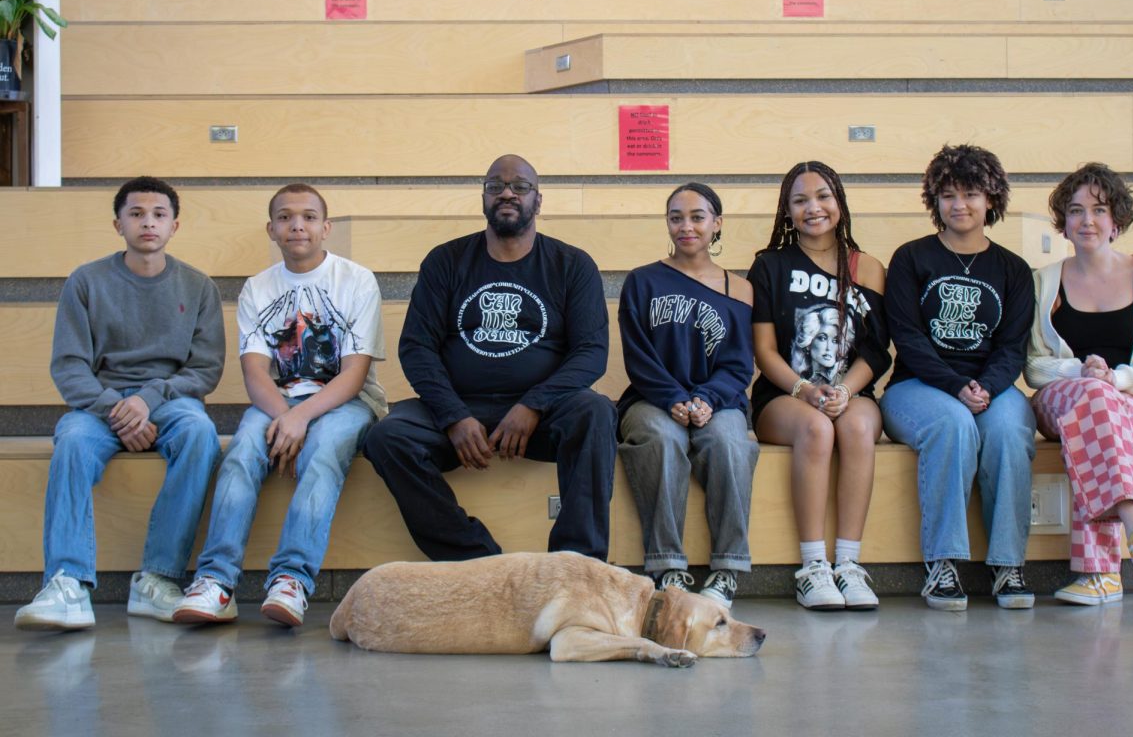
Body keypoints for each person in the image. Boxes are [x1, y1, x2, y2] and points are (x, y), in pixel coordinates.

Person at [364, 154, 616, 561]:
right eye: (495, 185)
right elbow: (416, 347)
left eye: (520, 186)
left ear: (538, 199)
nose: (507, 193)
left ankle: (576, 563)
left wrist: (534, 404)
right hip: (461, 410)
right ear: (483, 197)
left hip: (543, 415)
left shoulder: (572, 265)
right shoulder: (446, 261)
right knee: (387, 438)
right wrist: (453, 415)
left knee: (597, 413)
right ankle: (476, 560)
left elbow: (591, 353)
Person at [15, 177, 224, 632]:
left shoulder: (198, 286)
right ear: (118, 223)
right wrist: (119, 410)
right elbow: (69, 368)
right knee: (70, 439)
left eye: (158, 215)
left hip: (169, 401)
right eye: (136, 214)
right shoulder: (86, 282)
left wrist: (147, 401)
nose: (147, 222)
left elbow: (204, 371)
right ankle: (67, 584)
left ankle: (158, 579)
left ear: (175, 225)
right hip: (100, 405)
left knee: (200, 433)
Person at [173, 183, 386, 628]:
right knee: (241, 453)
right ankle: (215, 581)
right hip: (279, 401)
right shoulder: (257, 288)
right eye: (286, 217)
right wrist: (287, 414)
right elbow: (256, 375)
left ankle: (291, 579)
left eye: (308, 217)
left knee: (322, 450)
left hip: (346, 400)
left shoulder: (356, 280)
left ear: (325, 227)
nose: (297, 225)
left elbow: (353, 373)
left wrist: (301, 418)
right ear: (271, 229)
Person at [880, 144, 1037, 611]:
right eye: (948, 194)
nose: (959, 204)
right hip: (918, 388)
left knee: (1009, 429)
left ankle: (1008, 566)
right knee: (951, 424)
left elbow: (1013, 347)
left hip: (995, 387)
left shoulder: (1012, 269)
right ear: (934, 201)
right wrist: (956, 387)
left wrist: (985, 387)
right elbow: (906, 337)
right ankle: (943, 564)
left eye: (971, 193)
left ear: (991, 199)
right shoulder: (911, 258)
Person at [1025, 163, 1133, 605]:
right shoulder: (1044, 282)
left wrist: (1116, 378)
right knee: (1094, 399)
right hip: (1060, 399)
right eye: (1075, 211)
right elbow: (1035, 368)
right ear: (1064, 222)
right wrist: (1081, 372)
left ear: (1117, 220)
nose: (1087, 221)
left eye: (1098, 210)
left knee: (1098, 409)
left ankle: (1101, 577)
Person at [747, 162, 890, 611]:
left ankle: (848, 564)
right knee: (817, 429)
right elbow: (765, 351)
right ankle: (812, 567)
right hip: (786, 395)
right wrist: (806, 391)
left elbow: (876, 350)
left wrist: (846, 391)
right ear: (787, 212)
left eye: (823, 196)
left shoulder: (866, 267)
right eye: (800, 200)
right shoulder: (769, 266)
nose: (814, 208)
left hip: (851, 390)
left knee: (857, 427)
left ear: (840, 202)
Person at [617, 183, 758, 610]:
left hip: (719, 401)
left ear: (717, 224)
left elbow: (738, 365)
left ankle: (728, 568)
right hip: (652, 399)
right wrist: (674, 398)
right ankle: (667, 567)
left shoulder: (740, 288)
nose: (686, 226)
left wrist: (707, 400)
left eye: (697, 216)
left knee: (729, 441)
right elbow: (638, 356)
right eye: (676, 216)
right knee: (663, 438)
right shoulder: (642, 280)